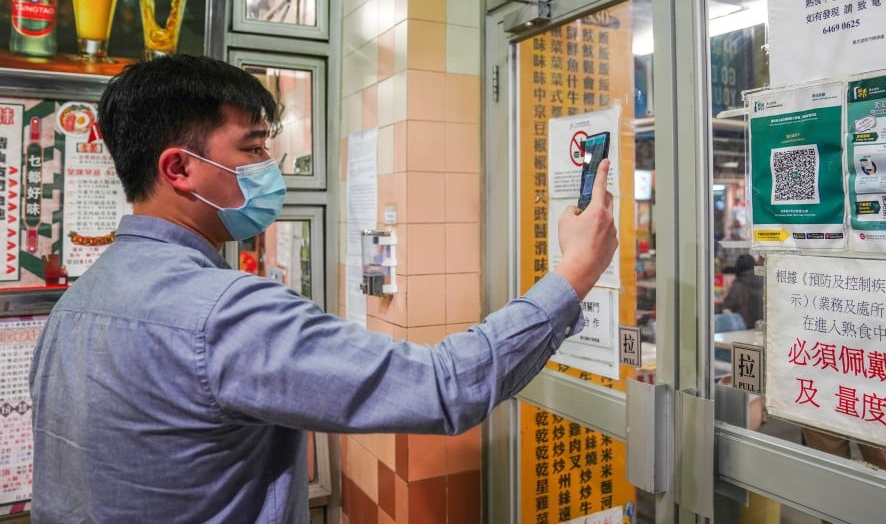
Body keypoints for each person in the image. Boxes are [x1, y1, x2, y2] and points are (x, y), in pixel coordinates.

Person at [29, 54, 618, 523]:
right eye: (253, 149)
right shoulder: (223, 315)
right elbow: (446, 387)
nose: (269, 168)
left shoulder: (79, 302)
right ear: (178, 169)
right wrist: (578, 268)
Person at [716, 253, 763, 329]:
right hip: (763, 328)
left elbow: (726, 307)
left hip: (744, 329)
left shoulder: (739, 285)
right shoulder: (766, 281)